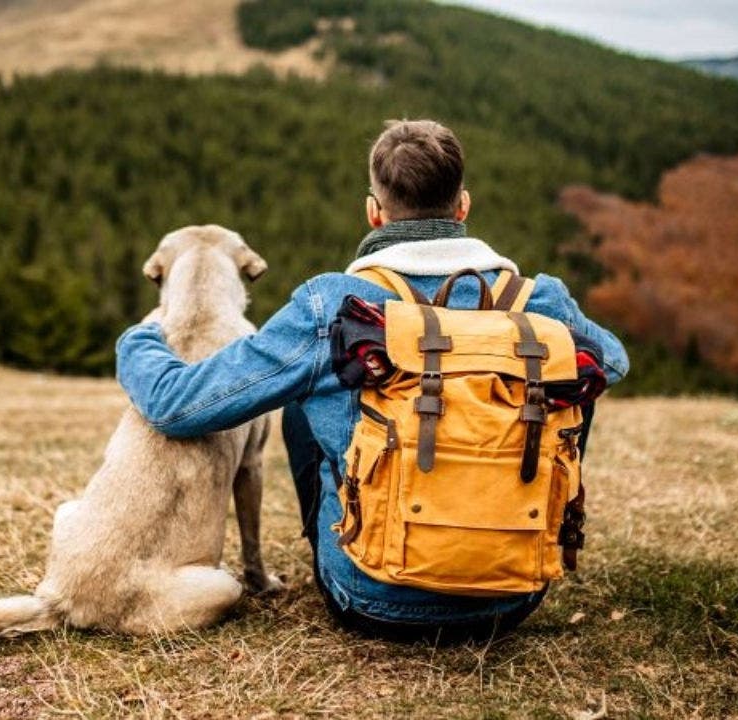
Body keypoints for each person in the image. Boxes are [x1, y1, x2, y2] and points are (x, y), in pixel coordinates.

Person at [116, 120, 629, 643]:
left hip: (369, 597)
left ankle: (350, 537)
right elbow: (611, 363)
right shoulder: (539, 302)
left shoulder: (334, 305)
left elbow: (175, 405)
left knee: (302, 398)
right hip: (513, 594)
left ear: (374, 211)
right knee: (563, 379)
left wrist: (140, 337)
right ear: (463, 207)